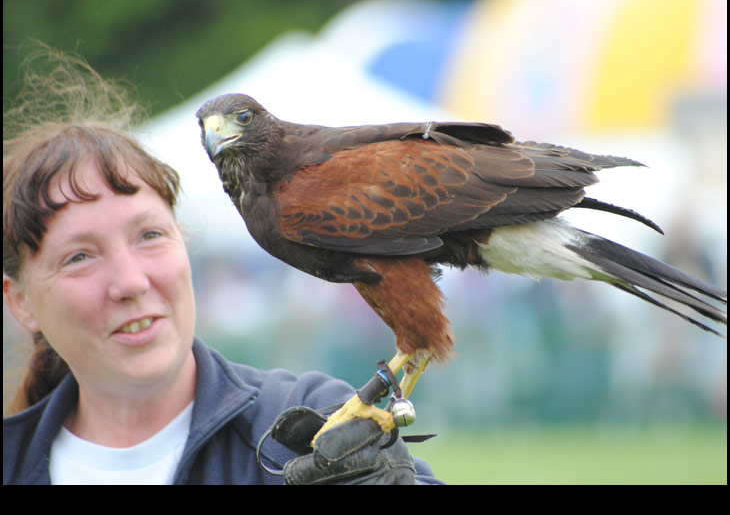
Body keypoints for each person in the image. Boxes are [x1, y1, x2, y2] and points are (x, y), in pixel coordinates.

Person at [2, 47, 442, 485]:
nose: (131, 282)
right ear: (19, 300)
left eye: (149, 236)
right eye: (80, 256)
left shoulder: (306, 420)